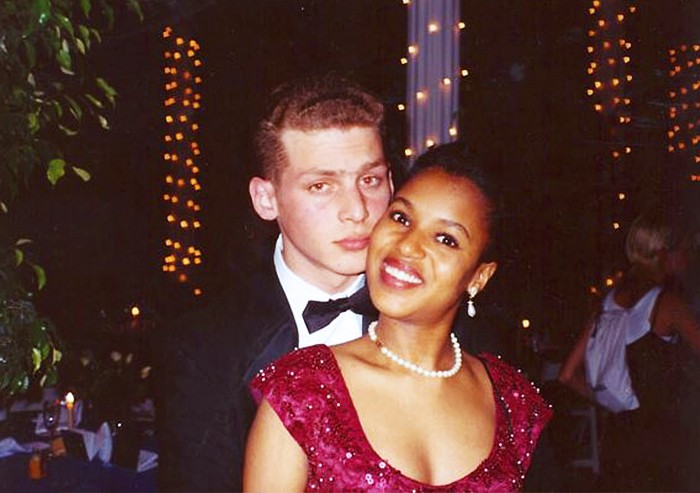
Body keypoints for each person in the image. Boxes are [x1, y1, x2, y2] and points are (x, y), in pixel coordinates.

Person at [244, 147, 553, 492]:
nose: (407, 246)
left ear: (479, 277)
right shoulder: (301, 392)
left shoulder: (513, 404)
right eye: (402, 218)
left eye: (445, 239)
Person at [155, 74, 393, 492]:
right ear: (267, 200)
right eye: (321, 186)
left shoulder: (443, 324)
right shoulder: (203, 348)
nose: (357, 210)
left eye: (369, 180)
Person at [558, 210, 700, 491]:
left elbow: (567, 375)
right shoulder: (669, 304)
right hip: (665, 443)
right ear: (664, 253)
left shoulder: (606, 305)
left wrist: (616, 400)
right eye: (685, 250)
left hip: (619, 439)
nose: (690, 257)